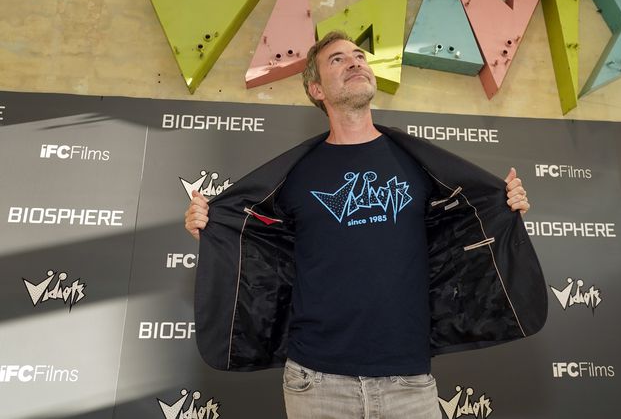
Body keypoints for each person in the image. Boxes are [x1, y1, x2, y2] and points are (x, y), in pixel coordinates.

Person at [184, 31, 547, 419]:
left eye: (359, 56)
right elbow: (259, 249)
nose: (355, 62)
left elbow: (460, 234)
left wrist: (504, 205)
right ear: (317, 89)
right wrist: (209, 227)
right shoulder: (294, 176)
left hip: (409, 380)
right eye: (337, 60)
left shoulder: (419, 165)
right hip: (316, 382)